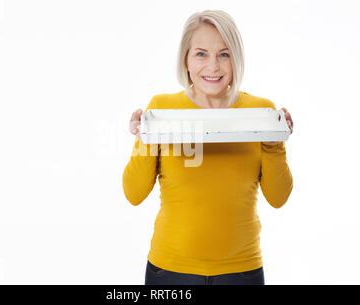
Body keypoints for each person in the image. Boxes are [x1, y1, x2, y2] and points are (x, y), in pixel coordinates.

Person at [122, 10, 294, 285]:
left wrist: (276, 144)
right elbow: (133, 193)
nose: (213, 66)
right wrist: (144, 139)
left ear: (235, 59)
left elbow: (278, 198)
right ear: (186, 60)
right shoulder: (163, 109)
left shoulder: (260, 111)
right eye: (201, 54)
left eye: (224, 54)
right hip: (170, 271)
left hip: (241, 271)